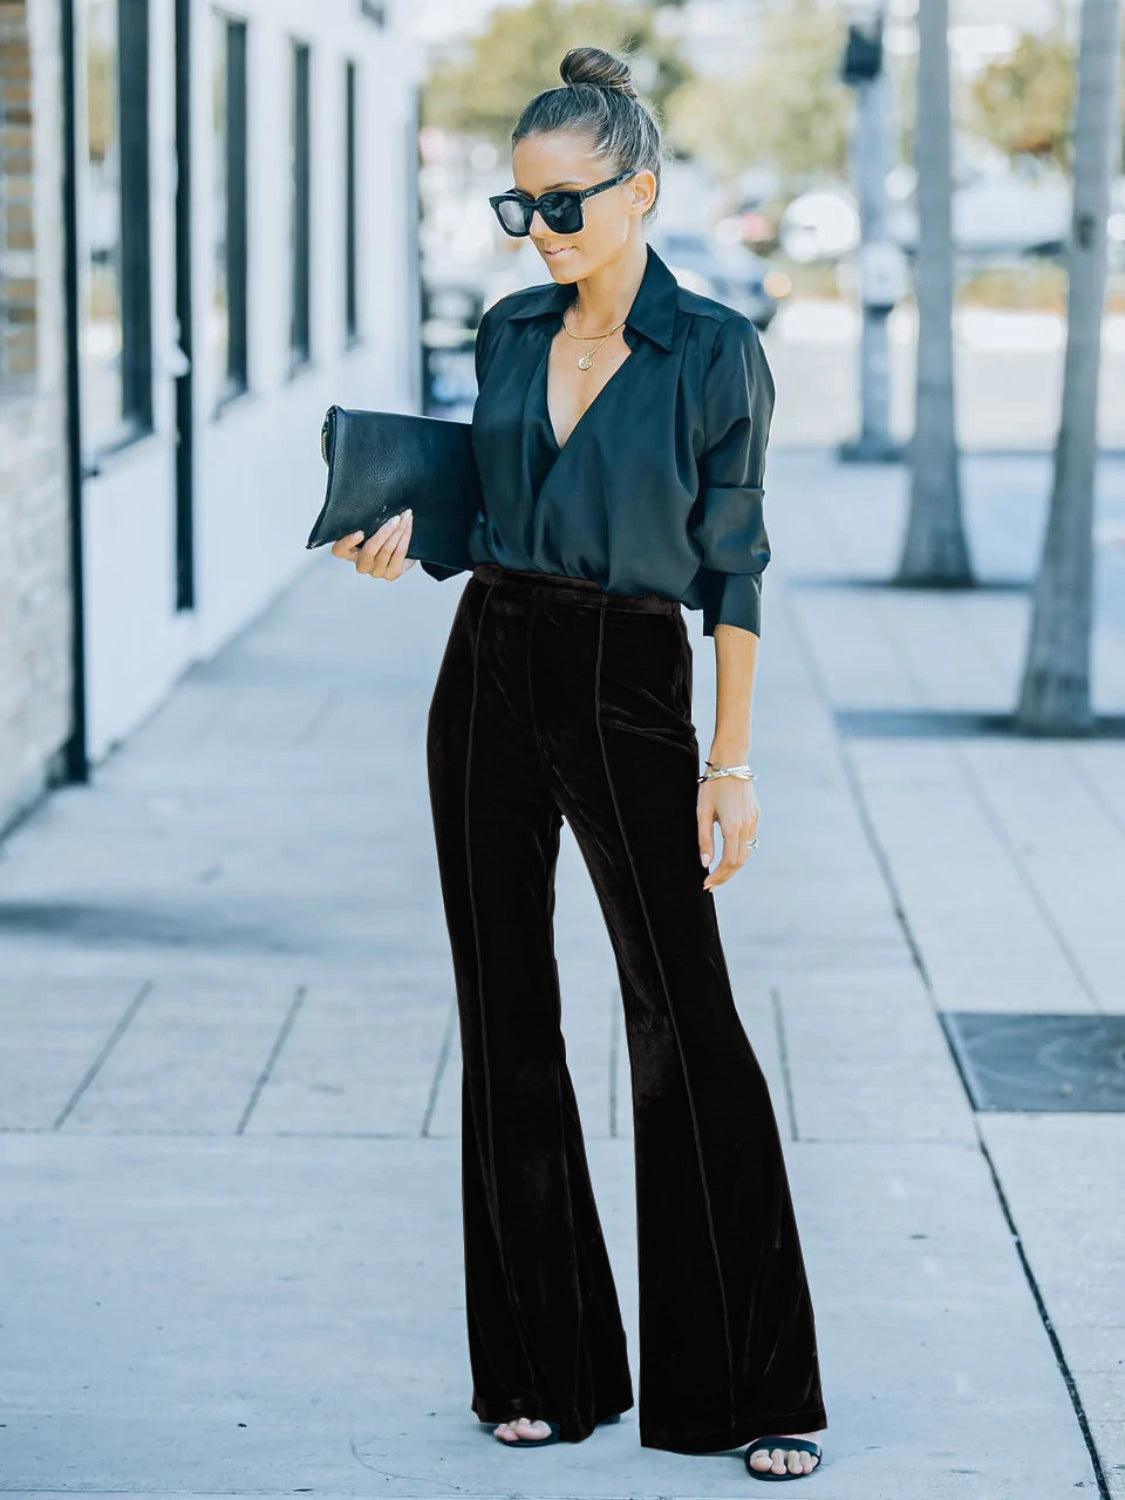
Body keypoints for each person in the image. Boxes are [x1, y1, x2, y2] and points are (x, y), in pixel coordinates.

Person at [330, 43, 827, 1486]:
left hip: (627, 678)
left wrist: (727, 766)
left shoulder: (714, 350)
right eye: (518, 209)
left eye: (564, 206)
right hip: (486, 665)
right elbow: (483, 516)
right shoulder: (501, 337)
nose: (539, 234)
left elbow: (733, 570)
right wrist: (400, 544)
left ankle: (746, 1384)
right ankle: (542, 1365)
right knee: (508, 1015)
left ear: (640, 190)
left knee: (684, 1019)